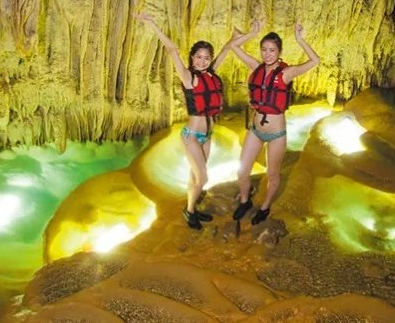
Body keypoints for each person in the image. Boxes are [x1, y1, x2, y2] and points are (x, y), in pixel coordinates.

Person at [136, 13, 263, 230]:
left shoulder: (211, 74)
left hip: (207, 135)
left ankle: (192, 208)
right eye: (199, 57)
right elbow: (171, 49)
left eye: (206, 57)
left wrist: (250, 33)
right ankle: (189, 210)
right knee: (202, 178)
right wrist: (151, 24)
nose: (203, 61)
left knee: (194, 176)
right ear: (192, 58)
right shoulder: (189, 77)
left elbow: (226, 50)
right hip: (192, 136)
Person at [229, 22, 320, 225]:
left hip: (276, 134)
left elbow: (315, 60)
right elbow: (234, 47)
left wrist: (300, 40)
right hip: (255, 130)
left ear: (279, 52)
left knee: (272, 174)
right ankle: (244, 202)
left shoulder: (286, 74)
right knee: (242, 171)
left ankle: (265, 206)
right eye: (264, 49)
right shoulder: (256, 67)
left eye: (272, 50)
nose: (267, 54)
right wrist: (252, 32)